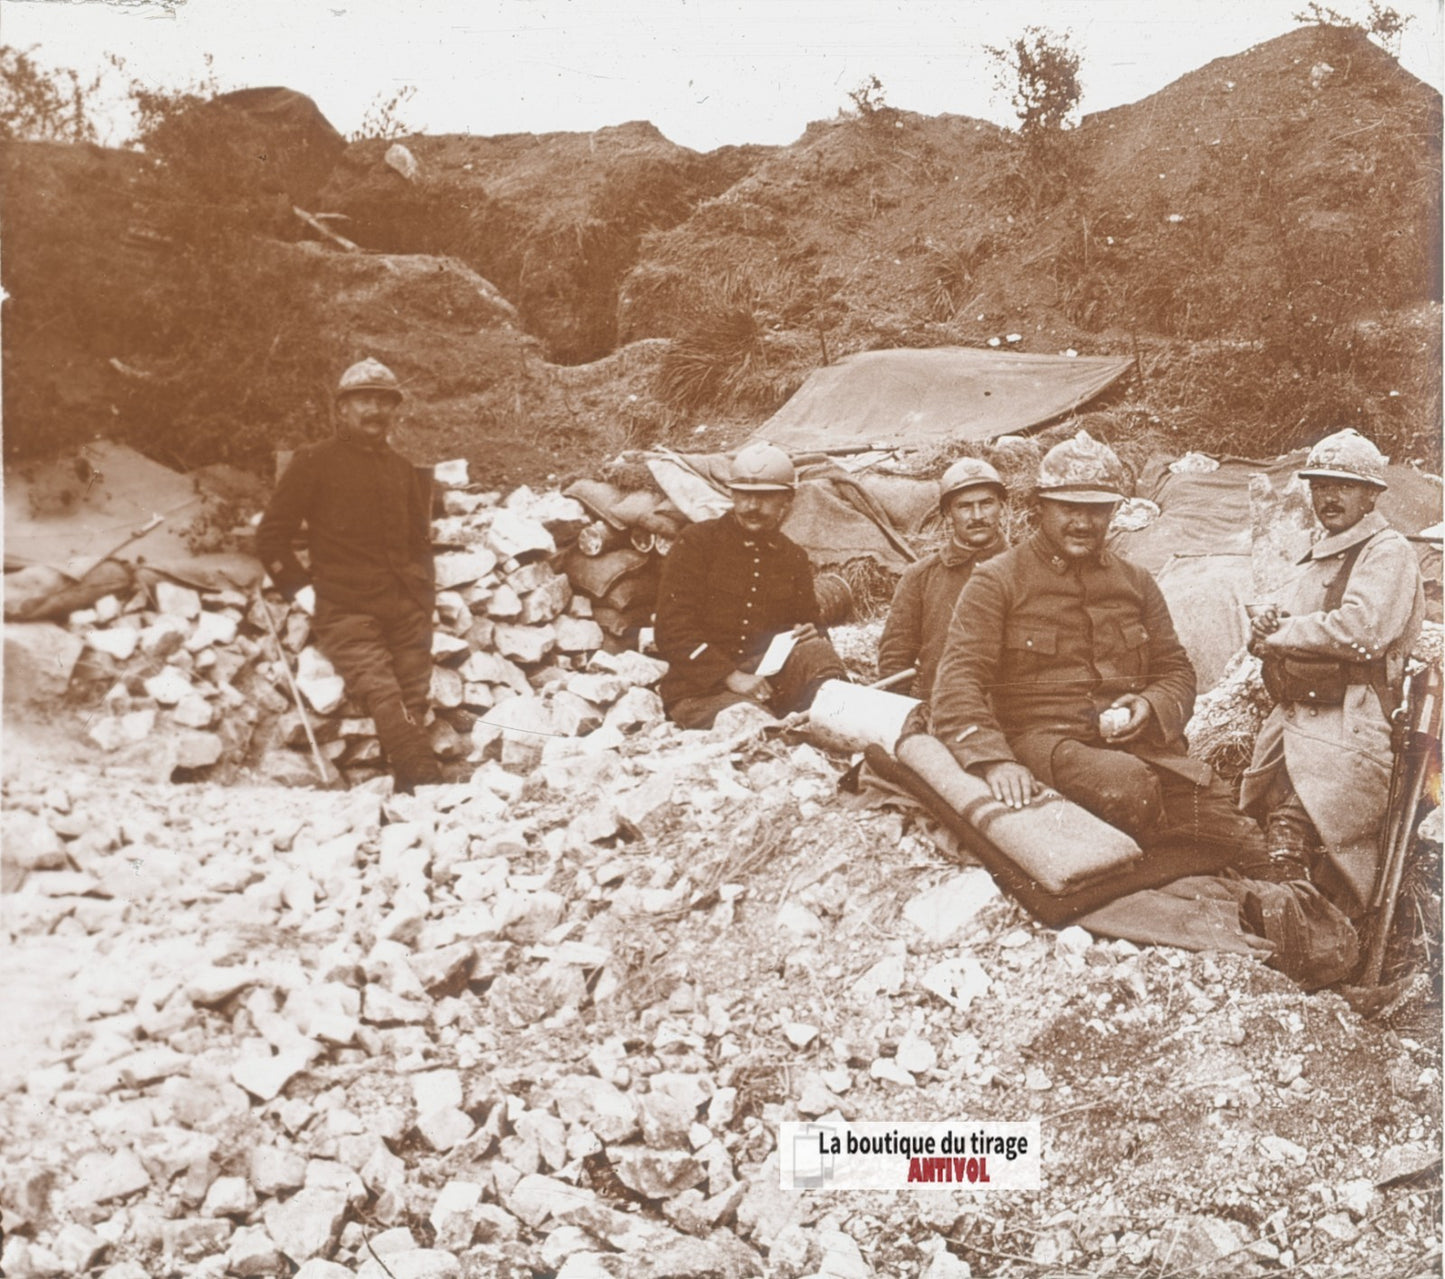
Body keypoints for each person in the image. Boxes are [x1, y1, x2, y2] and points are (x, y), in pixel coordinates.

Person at [929, 429, 1265, 863]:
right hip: (1044, 745)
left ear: (1113, 513)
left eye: (1097, 510)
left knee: (1245, 840)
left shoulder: (1136, 582)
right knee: (1128, 789)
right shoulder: (997, 580)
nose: (1083, 523)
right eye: (1069, 508)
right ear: (1039, 509)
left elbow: (1176, 671)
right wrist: (995, 761)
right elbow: (957, 682)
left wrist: (1149, 704)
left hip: (1142, 749)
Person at [1240, 428, 1424, 911]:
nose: (1328, 496)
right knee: (1249, 825)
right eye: (1320, 486)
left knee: (1298, 830)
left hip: (1353, 722)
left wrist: (1281, 632)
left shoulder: (1387, 552)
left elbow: (1362, 629)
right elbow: (1278, 627)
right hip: (1294, 718)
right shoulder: (1320, 555)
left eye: (1342, 486)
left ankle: (1313, 928)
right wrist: (1263, 627)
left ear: (1371, 495)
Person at [256, 357, 441, 791]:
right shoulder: (314, 461)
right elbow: (271, 538)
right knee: (383, 693)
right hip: (345, 607)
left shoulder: (400, 469)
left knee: (414, 697)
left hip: (405, 607)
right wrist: (303, 594)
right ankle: (433, 792)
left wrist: (422, 598)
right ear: (342, 409)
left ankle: (409, 799)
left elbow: (420, 544)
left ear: (395, 410)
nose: (375, 411)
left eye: (384, 401)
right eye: (364, 401)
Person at [655, 442, 848, 729]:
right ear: (732, 494)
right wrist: (730, 677)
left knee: (820, 657)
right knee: (755, 724)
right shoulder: (697, 543)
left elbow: (811, 623)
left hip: (768, 681)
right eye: (743, 495)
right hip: (701, 689)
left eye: (765, 497)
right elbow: (672, 629)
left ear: (787, 500)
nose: (752, 507)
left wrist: (811, 632)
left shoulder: (792, 557)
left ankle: (841, 719)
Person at [878, 457, 1007, 702]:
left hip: (1014, 715)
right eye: (965, 506)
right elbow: (895, 658)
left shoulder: (1027, 569)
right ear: (948, 514)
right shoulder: (920, 577)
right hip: (946, 710)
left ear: (1002, 506)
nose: (977, 515)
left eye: (987, 503)